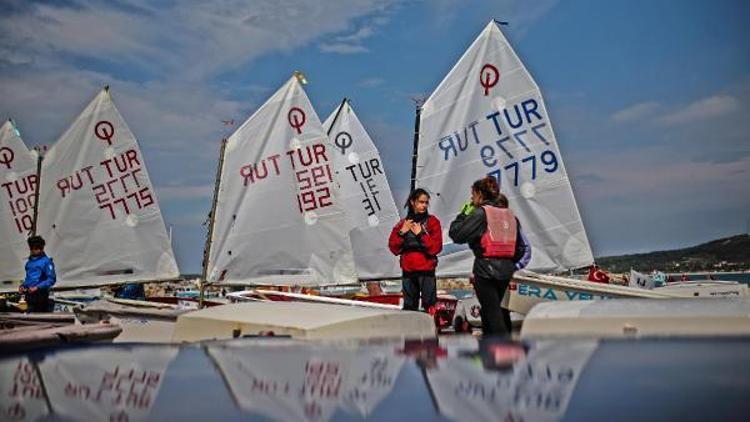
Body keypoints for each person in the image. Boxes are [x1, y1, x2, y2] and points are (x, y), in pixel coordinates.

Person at [448, 177, 531, 335]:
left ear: (479, 194)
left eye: (473, 194)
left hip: (485, 269)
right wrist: (511, 264)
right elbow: (521, 247)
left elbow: (456, 234)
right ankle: (493, 353)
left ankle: (501, 348)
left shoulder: (481, 213)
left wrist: (464, 214)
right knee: (496, 309)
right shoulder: (510, 216)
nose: (472, 198)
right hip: (506, 270)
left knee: (492, 312)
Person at [388, 188, 442, 313]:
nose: (424, 205)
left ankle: (432, 327)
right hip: (408, 271)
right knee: (409, 307)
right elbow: (393, 248)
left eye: (426, 203)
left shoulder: (433, 222)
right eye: (421, 202)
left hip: (426, 271)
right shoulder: (402, 224)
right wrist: (402, 232)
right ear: (413, 202)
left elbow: (436, 248)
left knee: (429, 305)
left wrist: (421, 234)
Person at [19, 236, 57, 313]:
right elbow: (29, 279)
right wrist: (23, 286)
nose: (33, 250)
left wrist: (37, 287)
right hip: (29, 295)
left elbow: (51, 279)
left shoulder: (46, 262)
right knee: (28, 316)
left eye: (36, 248)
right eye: (31, 248)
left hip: (41, 295)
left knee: (40, 317)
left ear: (41, 248)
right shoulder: (29, 263)